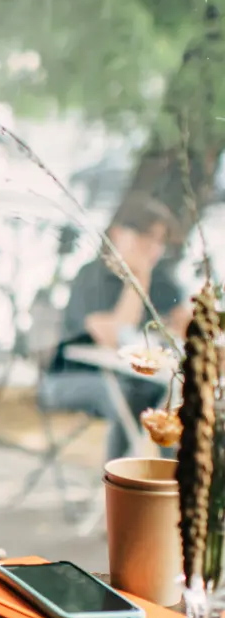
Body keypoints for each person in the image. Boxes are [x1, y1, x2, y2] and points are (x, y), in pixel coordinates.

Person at [41, 195, 191, 461]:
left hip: (133, 381)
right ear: (118, 233)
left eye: (159, 240)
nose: (153, 247)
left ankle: (178, 484)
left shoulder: (163, 281)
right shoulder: (93, 276)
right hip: (70, 377)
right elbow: (112, 337)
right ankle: (119, 480)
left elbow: (184, 326)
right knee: (126, 396)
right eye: (145, 236)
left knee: (170, 401)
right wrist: (139, 279)